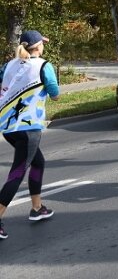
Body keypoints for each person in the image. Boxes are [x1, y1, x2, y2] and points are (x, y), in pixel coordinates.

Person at [0, 31, 60, 241]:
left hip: (8, 127)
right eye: (43, 43)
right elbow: (54, 92)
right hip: (28, 128)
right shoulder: (43, 65)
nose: (44, 47)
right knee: (17, 173)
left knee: (38, 162)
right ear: (38, 46)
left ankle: (37, 208)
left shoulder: (9, 64)